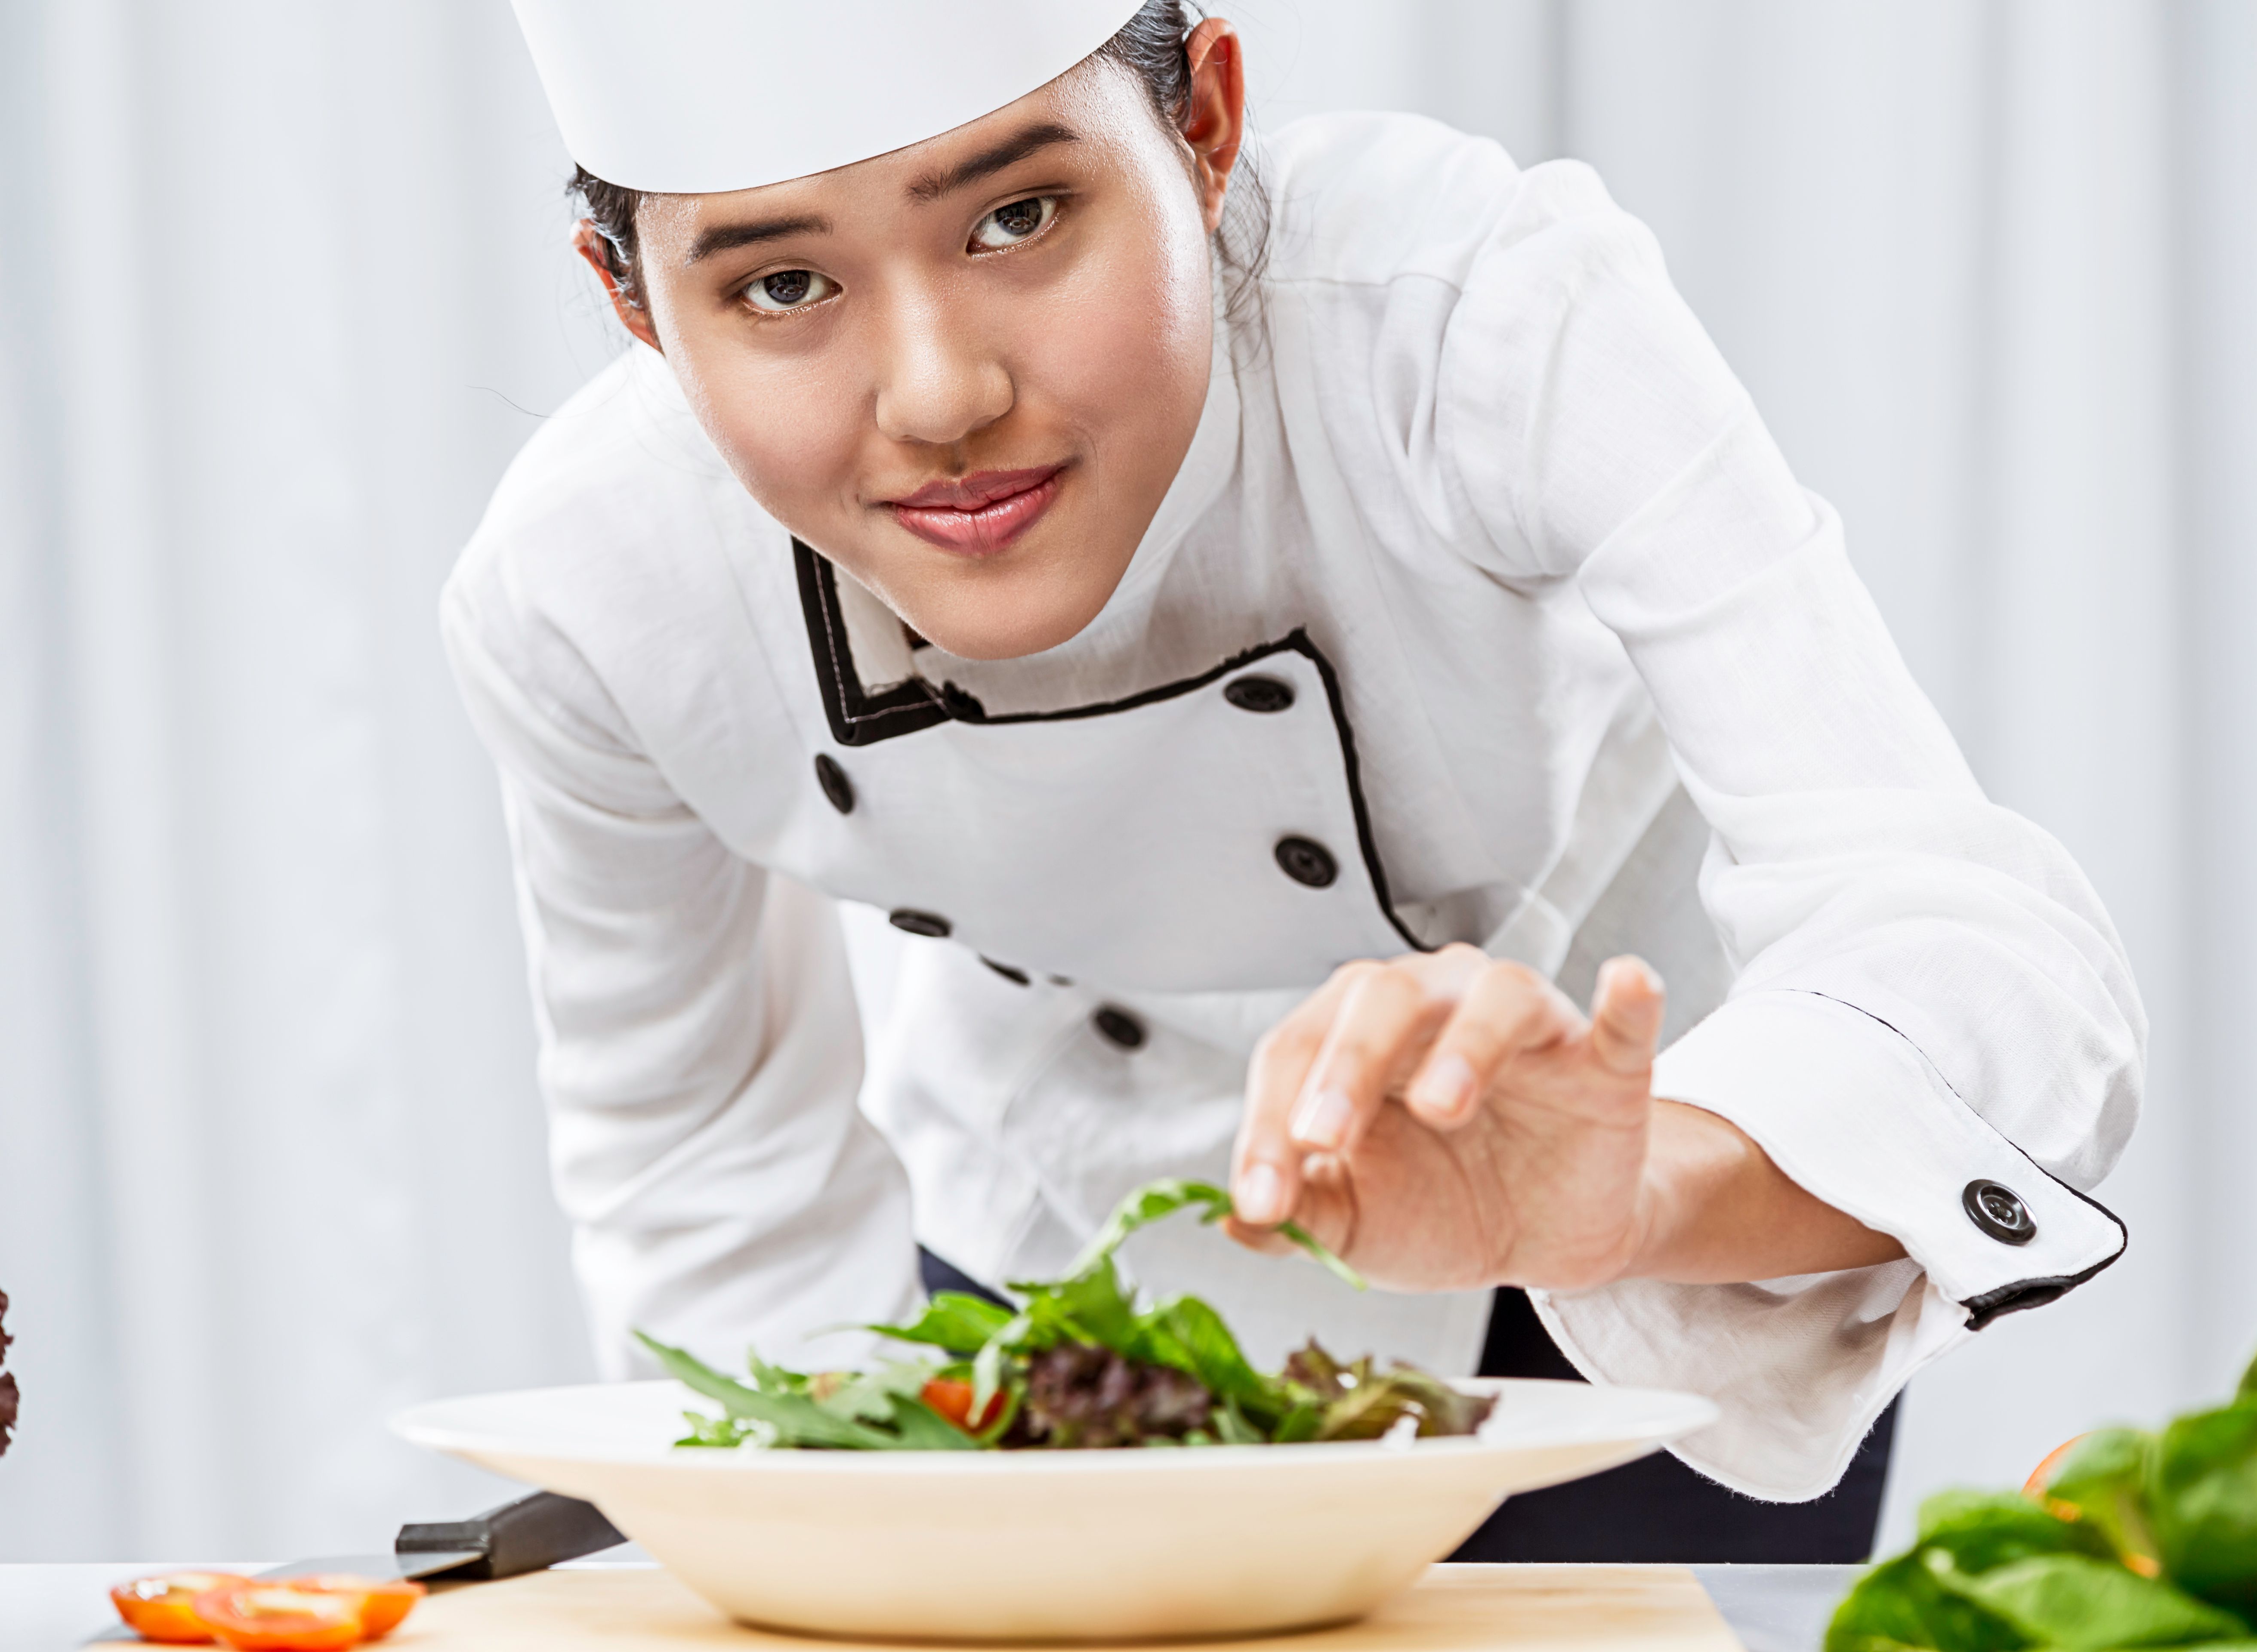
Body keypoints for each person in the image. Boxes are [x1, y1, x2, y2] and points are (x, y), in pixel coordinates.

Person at [451, 0, 2143, 1560]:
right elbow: (701, 1159)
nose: (944, 393)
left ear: (1206, 130)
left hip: (1639, 1277)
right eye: (782, 287)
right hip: (1063, 1271)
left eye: (1019, 218)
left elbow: (1961, 943)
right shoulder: (591, 588)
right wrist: (840, 1543)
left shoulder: (1475, 310)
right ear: (632, 308)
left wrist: (1638, 1185)